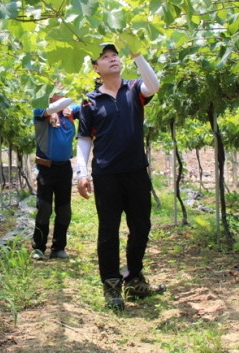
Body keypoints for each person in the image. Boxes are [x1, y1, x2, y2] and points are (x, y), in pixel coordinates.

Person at [76, 43, 166, 310]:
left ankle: (134, 278)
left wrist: (137, 55)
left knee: (141, 227)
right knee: (108, 231)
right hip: (106, 174)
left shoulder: (135, 88)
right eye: (105, 57)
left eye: (115, 55)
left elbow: (154, 85)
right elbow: (84, 139)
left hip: (136, 171)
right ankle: (112, 285)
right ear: (96, 68)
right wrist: (81, 173)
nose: (112, 59)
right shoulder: (90, 101)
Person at [31, 91, 81, 260]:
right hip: (46, 168)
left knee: (64, 209)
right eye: (57, 93)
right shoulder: (40, 111)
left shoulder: (70, 112)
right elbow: (53, 108)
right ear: (49, 97)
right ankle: (39, 247)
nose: (61, 96)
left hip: (64, 168)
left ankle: (58, 248)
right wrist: (73, 95)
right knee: (44, 208)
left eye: (62, 93)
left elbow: (87, 108)